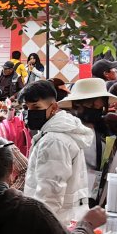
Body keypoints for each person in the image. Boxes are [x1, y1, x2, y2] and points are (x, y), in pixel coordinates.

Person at [22, 79, 93, 225]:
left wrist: (37, 229)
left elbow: (49, 196)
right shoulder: (58, 134)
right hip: (66, 219)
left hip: (55, 224)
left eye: (36, 107)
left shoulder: (53, 141)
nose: (30, 113)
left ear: (53, 107)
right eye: (26, 108)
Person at [58, 77, 117, 204]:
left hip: (95, 197)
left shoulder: (104, 131)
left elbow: (108, 163)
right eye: (90, 104)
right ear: (76, 104)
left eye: (99, 105)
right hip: (68, 198)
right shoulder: (65, 130)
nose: (96, 108)